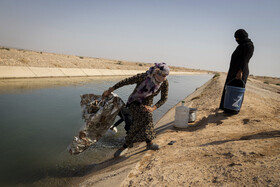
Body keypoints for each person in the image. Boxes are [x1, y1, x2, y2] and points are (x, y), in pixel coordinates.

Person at [102, 62, 169, 157]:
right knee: (146, 118)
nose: (164, 77)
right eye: (163, 74)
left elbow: (164, 98)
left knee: (142, 122)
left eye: (166, 75)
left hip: (147, 106)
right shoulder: (144, 77)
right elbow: (126, 81)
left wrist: (153, 108)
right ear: (156, 72)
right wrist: (110, 90)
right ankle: (134, 145)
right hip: (134, 102)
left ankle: (129, 145)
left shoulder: (164, 83)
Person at [219, 29, 254, 113]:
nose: (236, 40)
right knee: (230, 89)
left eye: (237, 38)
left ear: (241, 37)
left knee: (236, 90)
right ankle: (227, 107)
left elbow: (245, 60)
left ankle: (233, 109)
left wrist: (240, 71)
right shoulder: (242, 45)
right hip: (234, 70)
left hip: (240, 71)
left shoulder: (248, 45)